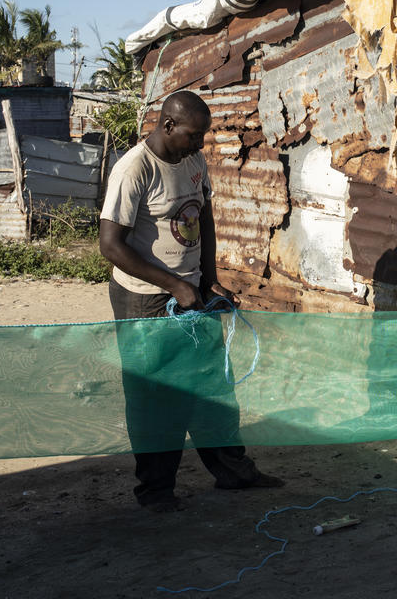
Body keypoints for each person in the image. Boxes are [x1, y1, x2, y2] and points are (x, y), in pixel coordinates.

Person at [99, 90, 283, 512]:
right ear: (167, 127)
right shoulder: (133, 170)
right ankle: (157, 491)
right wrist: (173, 286)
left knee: (212, 385)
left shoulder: (192, 160)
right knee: (156, 396)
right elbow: (111, 246)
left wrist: (208, 279)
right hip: (144, 301)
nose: (201, 145)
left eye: (203, 137)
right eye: (194, 136)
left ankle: (234, 472)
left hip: (192, 291)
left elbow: (202, 216)